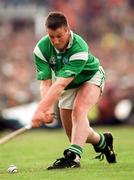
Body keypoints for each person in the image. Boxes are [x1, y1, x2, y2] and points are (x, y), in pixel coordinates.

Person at [32, 11, 116, 170]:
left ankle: (73, 159)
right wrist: (48, 109)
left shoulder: (79, 47)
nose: (56, 41)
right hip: (68, 86)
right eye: (51, 36)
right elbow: (46, 82)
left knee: (79, 111)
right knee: (76, 135)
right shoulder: (41, 49)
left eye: (59, 36)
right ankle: (102, 141)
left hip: (90, 77)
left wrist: (40, 109)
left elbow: (60, 84)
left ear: (68, 30)